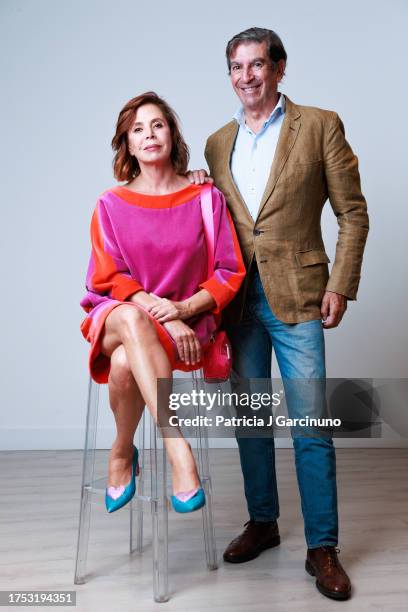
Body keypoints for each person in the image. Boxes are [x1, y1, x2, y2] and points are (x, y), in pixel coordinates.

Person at [189, 27, 369, 600]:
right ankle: (263, 523)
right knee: (250, 422)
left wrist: (341, 283)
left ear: (279, 68)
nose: (247, 76)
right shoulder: (217, 143)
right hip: (238, 301)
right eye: (237, 67)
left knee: (311, 424)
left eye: (257, 65)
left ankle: (323, 548)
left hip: (299, 297)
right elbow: (215, 217)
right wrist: (195, 185)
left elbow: (353, 213)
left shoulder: (319, 125)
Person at [80, 91, 245, 515]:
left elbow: (230, 272)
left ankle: (121, 452)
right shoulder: (111, 204)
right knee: (133, 318)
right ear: (128, 145)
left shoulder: (205, 198)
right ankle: (176, 445)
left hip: (186, 326)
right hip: (119, 313)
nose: (149, 134)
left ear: (172, 133)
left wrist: (184, 311)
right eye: (138, 129)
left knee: (122, 365)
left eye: (157, 124)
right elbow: (108, 278)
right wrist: (166, 317)